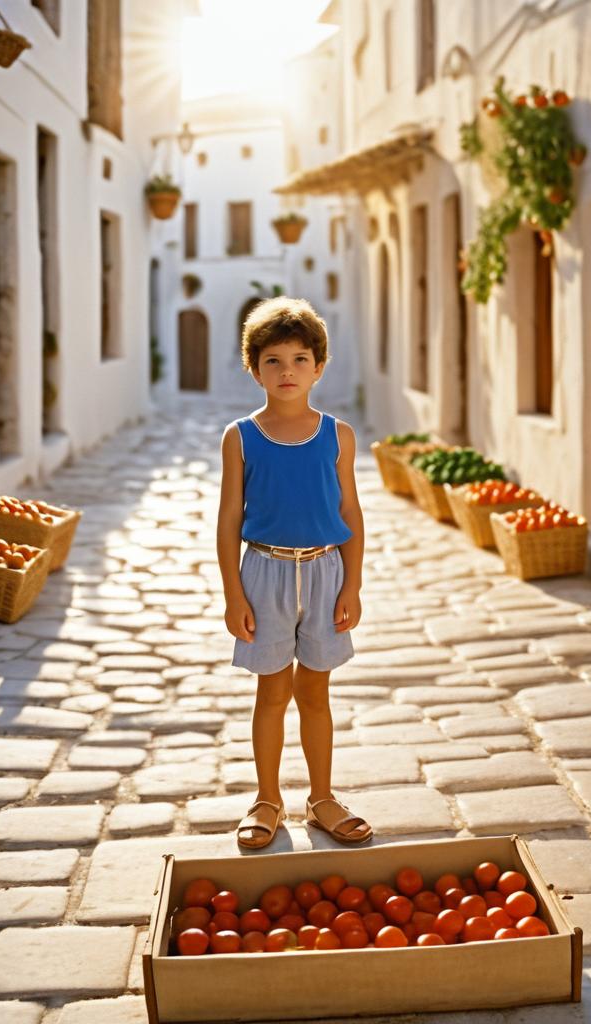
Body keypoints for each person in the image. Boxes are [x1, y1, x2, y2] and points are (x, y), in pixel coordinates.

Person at [217, 296, 372, 849]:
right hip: (264, 574)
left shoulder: (339, 435)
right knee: (271, 693)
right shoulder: (241, 436)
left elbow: (349, 512)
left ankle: (322, 797)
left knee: (316, 694)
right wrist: (234, 594)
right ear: (254, 368)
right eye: (274, 361)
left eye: (300, 359)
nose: (287, 372)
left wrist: (352, 581)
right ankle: (267, 799)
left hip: (326, 574)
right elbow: (229, 518)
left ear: (319, 367)